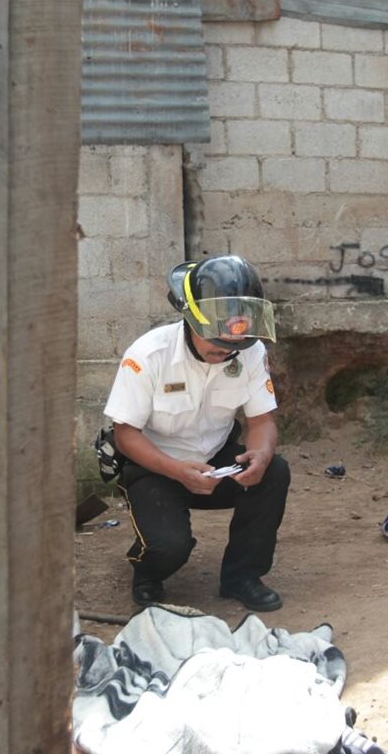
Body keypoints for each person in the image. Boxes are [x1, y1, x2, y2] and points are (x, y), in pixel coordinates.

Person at [102, 254, 290, 611]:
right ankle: (147, 573)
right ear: (190, 321)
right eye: (217, 348)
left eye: (234, 348)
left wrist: (261, 456)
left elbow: (262, 421)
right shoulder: (148, 355)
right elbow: (125, 434)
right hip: (154, 465)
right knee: (169, 547)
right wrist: (176, 471)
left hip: (214, 460)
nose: (226, 355)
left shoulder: (248, 351)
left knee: (275, 472)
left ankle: (242, 577)